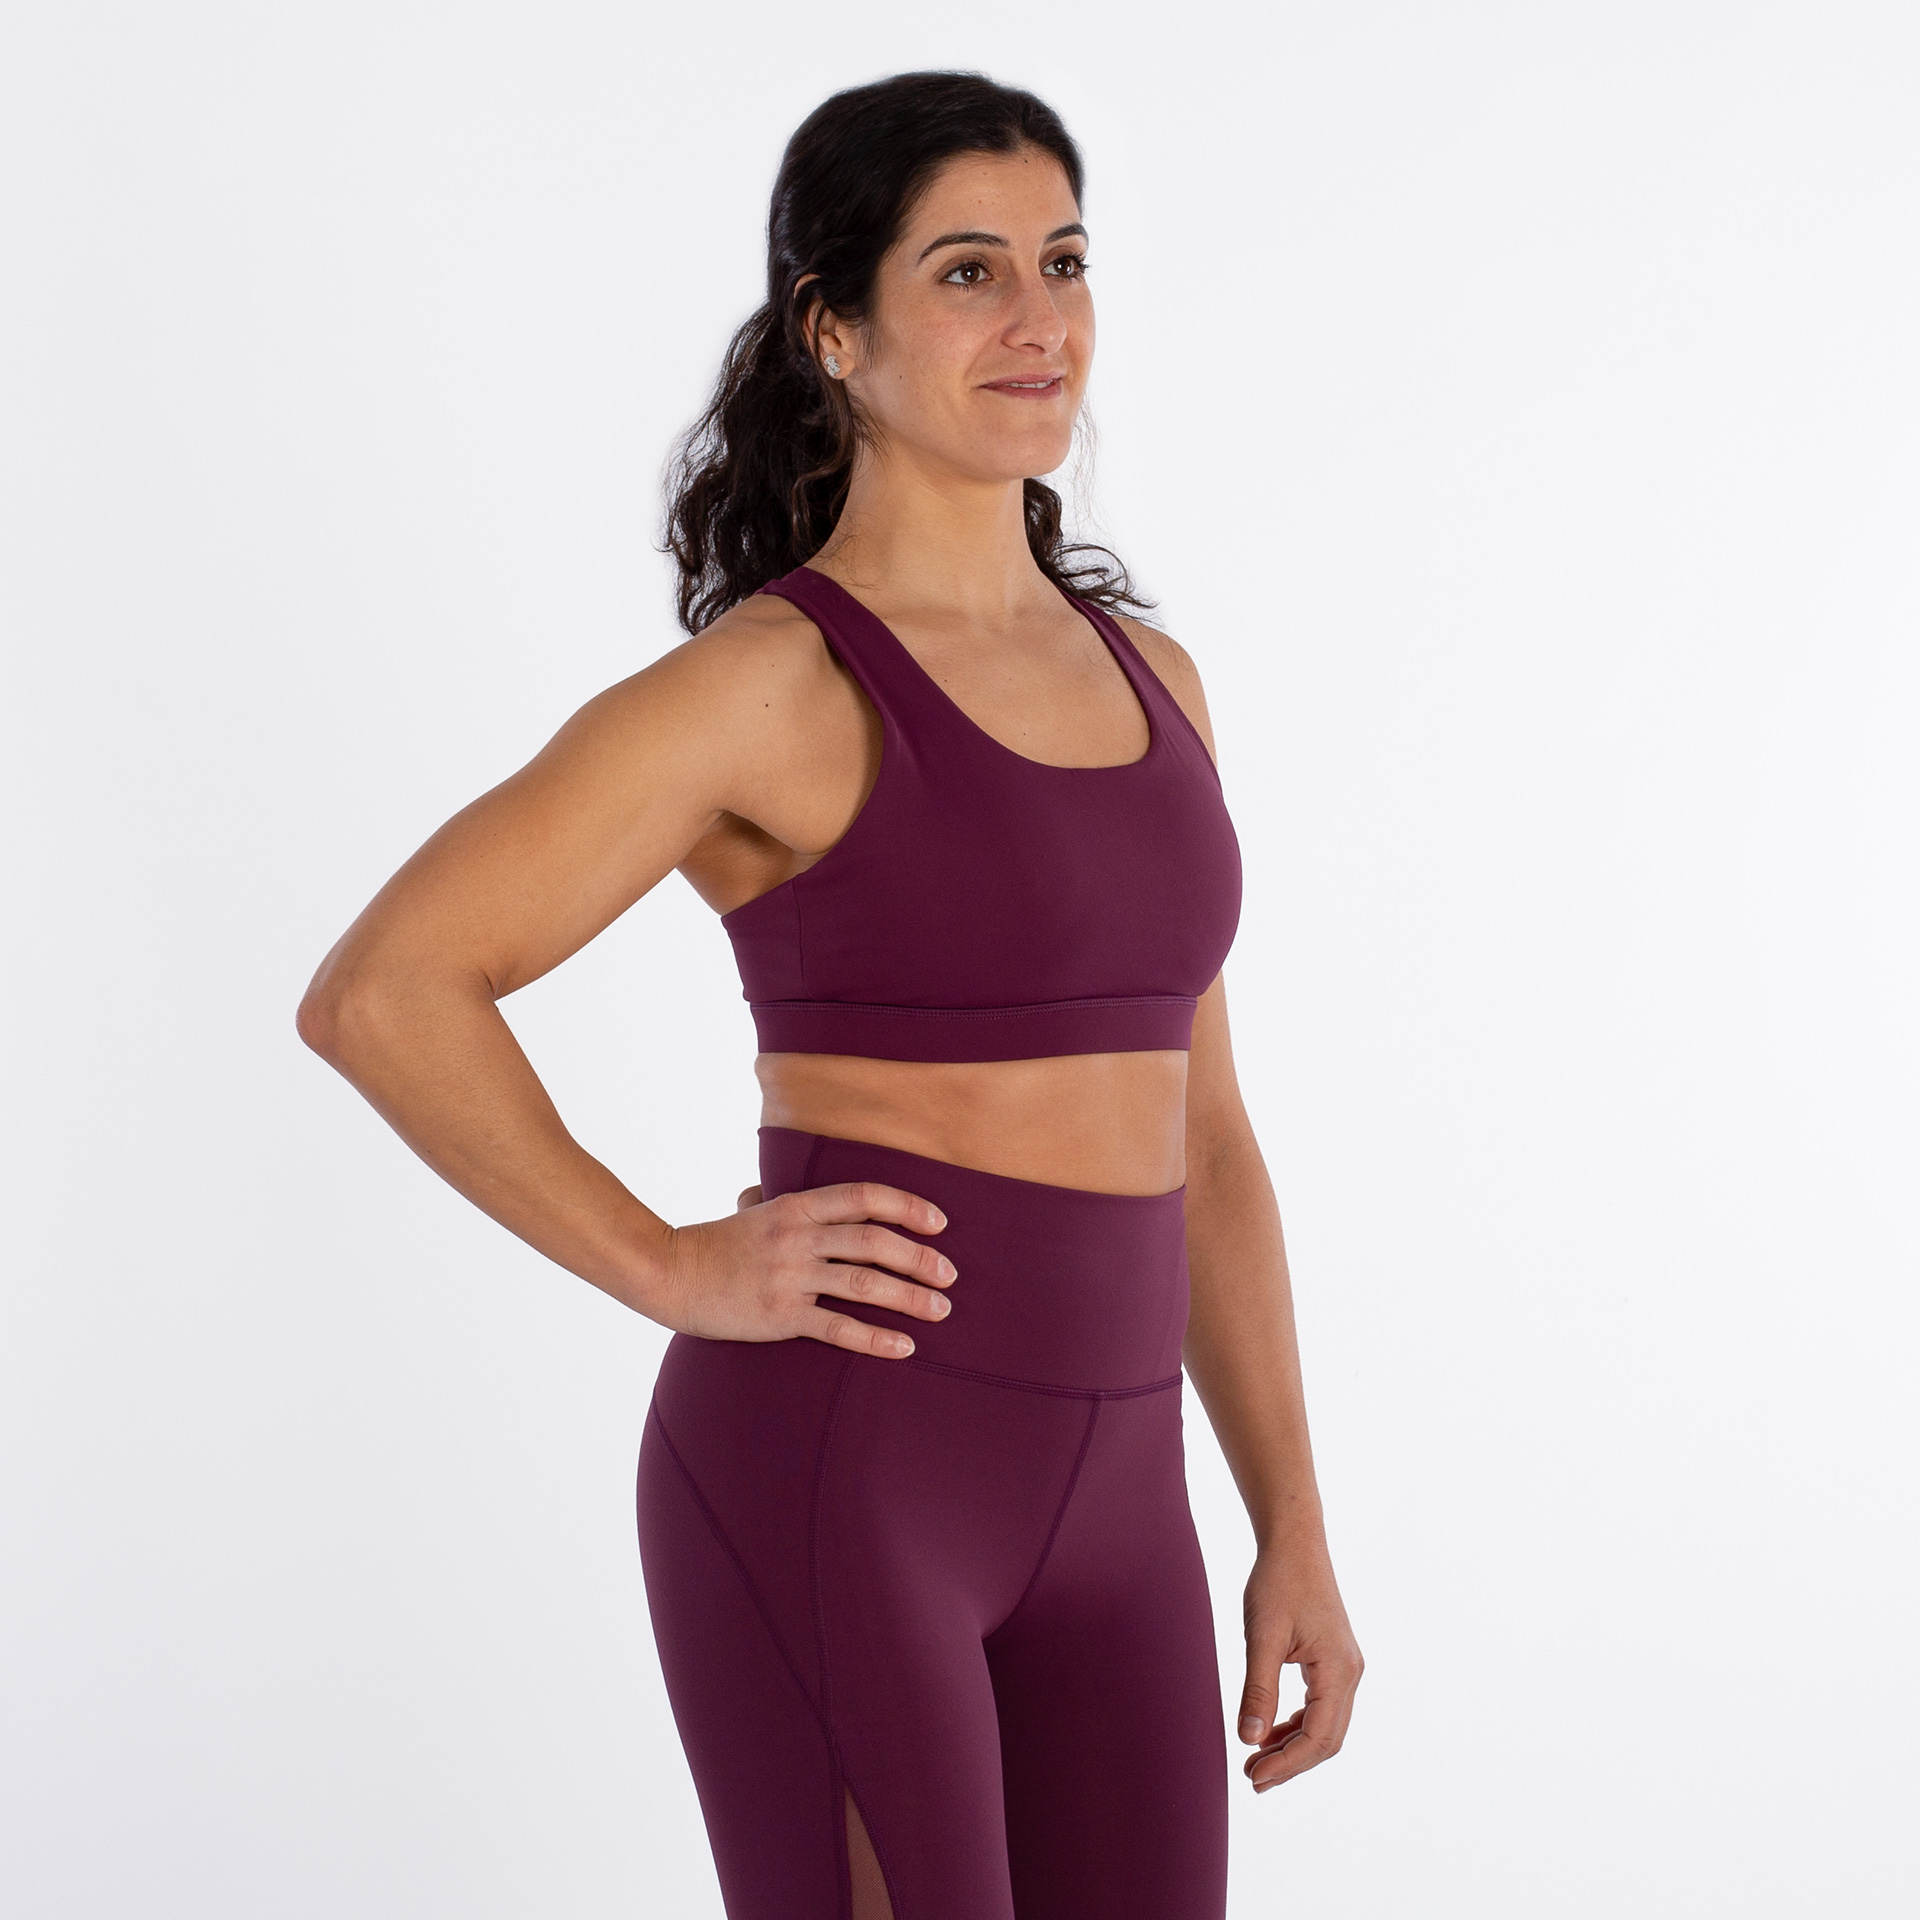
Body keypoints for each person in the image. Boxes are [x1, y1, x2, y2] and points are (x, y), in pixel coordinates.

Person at [297, 68, 1361, 1920]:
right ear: (833, 331)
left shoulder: (1156, 681)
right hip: (849, 1473)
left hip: (1128, 1509)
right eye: (967, 272)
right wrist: (669, 1265)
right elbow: (387, 990)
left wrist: (1294, 1522)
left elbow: (1209, 1143)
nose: (1037, 319)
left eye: (1064, 261)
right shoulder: (773, 687)